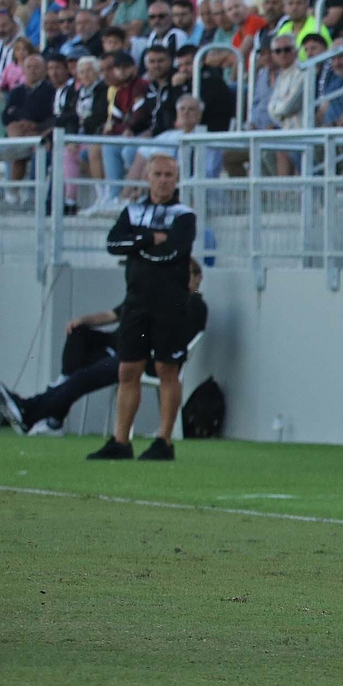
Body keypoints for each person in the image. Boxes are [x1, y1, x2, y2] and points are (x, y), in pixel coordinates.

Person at [0, 260, 207, 435]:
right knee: (78, 334)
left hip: (143, 359)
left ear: (197, 278)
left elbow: (173, 337)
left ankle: (31, 412)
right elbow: (113, 315)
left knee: (83, 378)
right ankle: (56, 402)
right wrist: (83, 320)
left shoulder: (194, 305)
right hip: (120, 347)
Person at [89, 155, 197, 462]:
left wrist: (138, 244)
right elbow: (113, 244)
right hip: (136, 300)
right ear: (147, 178)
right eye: (158, 174)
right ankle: (121, 440)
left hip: (171, 302)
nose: (163, 180)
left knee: (166, 367)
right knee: (129, 368)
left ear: (176, 179)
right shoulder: (132, 211)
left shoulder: (184, 214)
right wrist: (149, 238)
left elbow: (176, 251)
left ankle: (164, 440)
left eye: (169, 175)